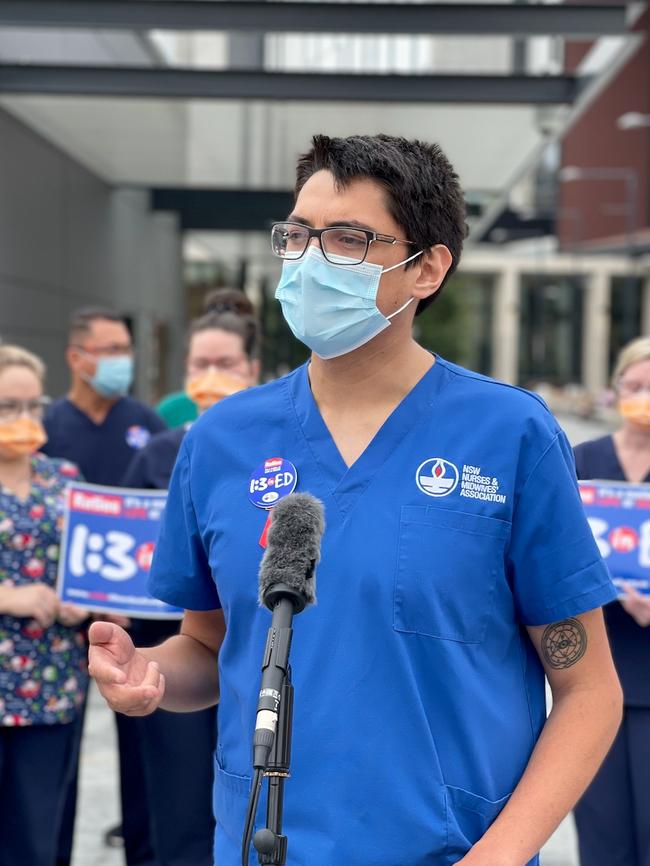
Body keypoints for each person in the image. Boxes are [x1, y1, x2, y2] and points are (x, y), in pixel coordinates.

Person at [89, 134, 623, 866]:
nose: (310, 260)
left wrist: (498, 857)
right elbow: (209, 646)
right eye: (298, 235)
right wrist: (152, 677)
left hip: (451, 849)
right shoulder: (221, 441)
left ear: (427, 268)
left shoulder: (510, 435)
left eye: (347, 239)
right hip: (264, 844)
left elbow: (589, 690)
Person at [122, 290, 261, 866]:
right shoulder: (160, 454)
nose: (209, 377)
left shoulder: (278, 450)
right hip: (174, 648)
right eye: (198, 365)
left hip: (254, 656)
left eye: (224, 365)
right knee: (178, 812)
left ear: (252, 369)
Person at [42, 307, 166, 866]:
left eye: (125, 349)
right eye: (110, 350)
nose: (123, 360)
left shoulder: (148, 425)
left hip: (134, 624)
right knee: (52, 767)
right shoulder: (44, 428)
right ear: (76, 358)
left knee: (146, 759)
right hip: (56, 624)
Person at [0, 345, 88, 866]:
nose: (24, 420)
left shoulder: (66, 479)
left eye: (34, 407)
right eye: (9, 407)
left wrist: (85, 601)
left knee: (39, 837)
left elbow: (92, 565)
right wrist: (11, 597)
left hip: (52, 687)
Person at [573, 336, 650, 866]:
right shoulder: (582, 461)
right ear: (616, 389)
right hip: (595, 669)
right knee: (603, 835)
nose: (643, 396)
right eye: (635, 385)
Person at [155, 288, 253, 428]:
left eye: (226, 363)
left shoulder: (273, 417)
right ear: (187, 365)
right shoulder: (170, 413)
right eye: (201, 363)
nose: (211, 375)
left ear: (253, 369)